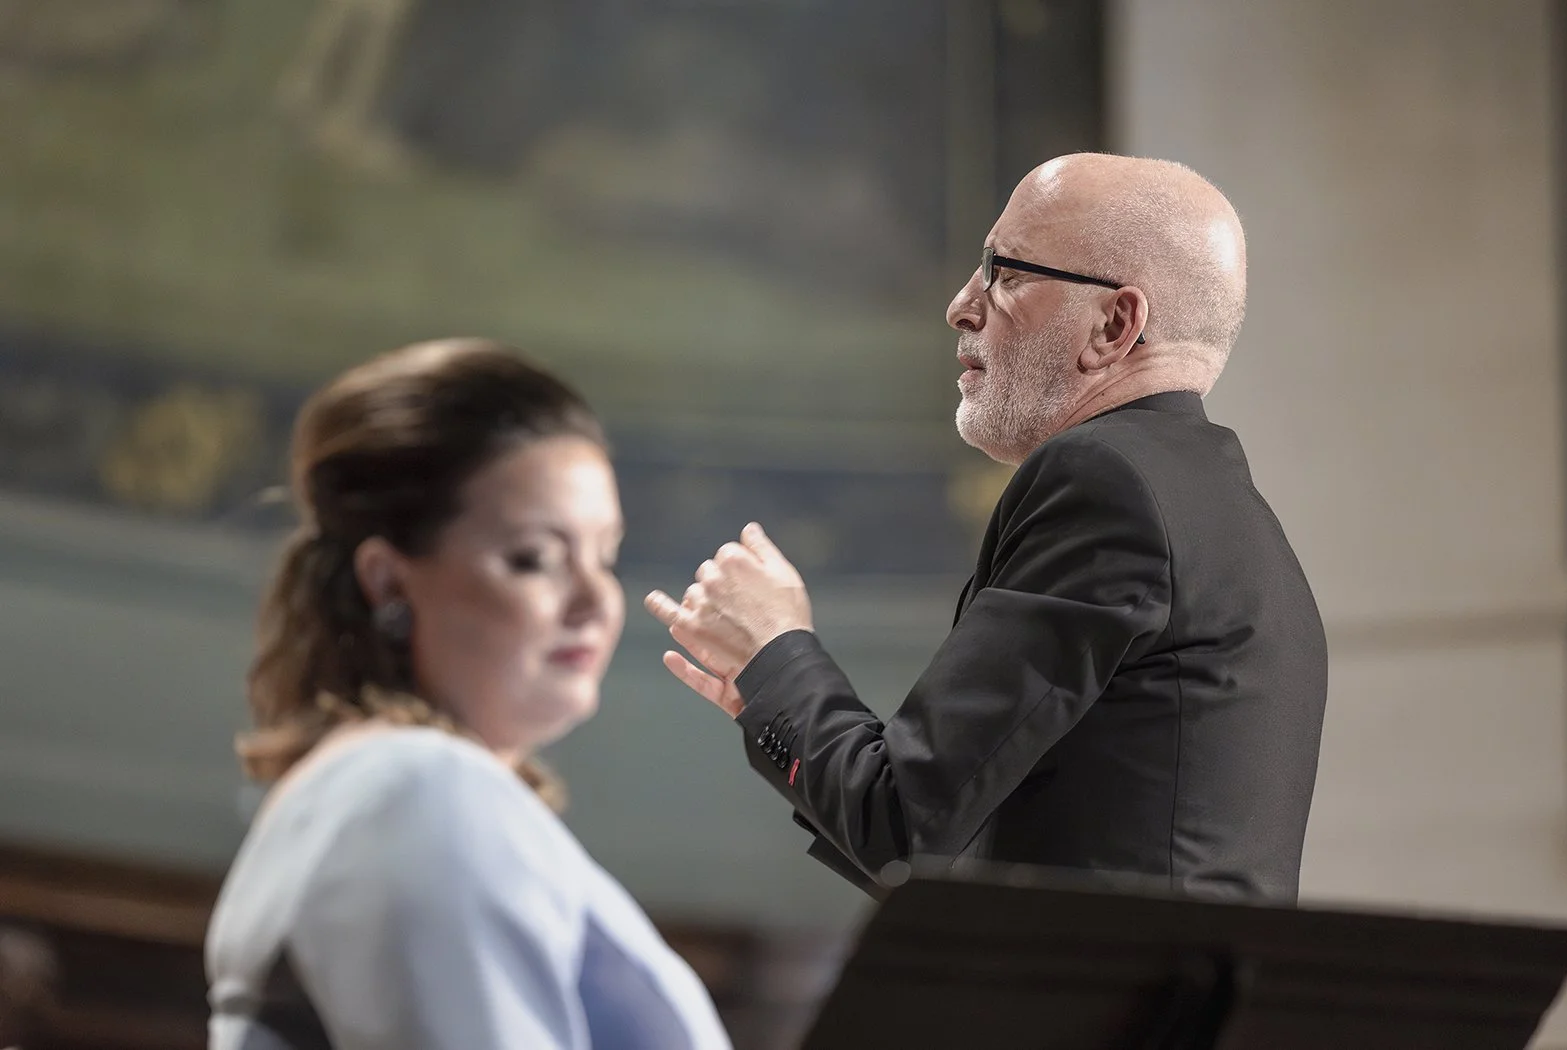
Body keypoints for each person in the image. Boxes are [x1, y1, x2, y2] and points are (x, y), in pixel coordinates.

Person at [645, 153, 1327, 902]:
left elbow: (900, 823)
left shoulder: (1104, 481)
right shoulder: (1227, 517)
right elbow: (955, 855)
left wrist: (776, 654)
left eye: (1005, 272)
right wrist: (774, 698)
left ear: (1114, 324)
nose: (962, 305)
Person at [206, 339, 731, 1049]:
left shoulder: (392, 787)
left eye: (604, 555)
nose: (594, 600)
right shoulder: (418, 787)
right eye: (535, 558)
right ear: (389, 580)